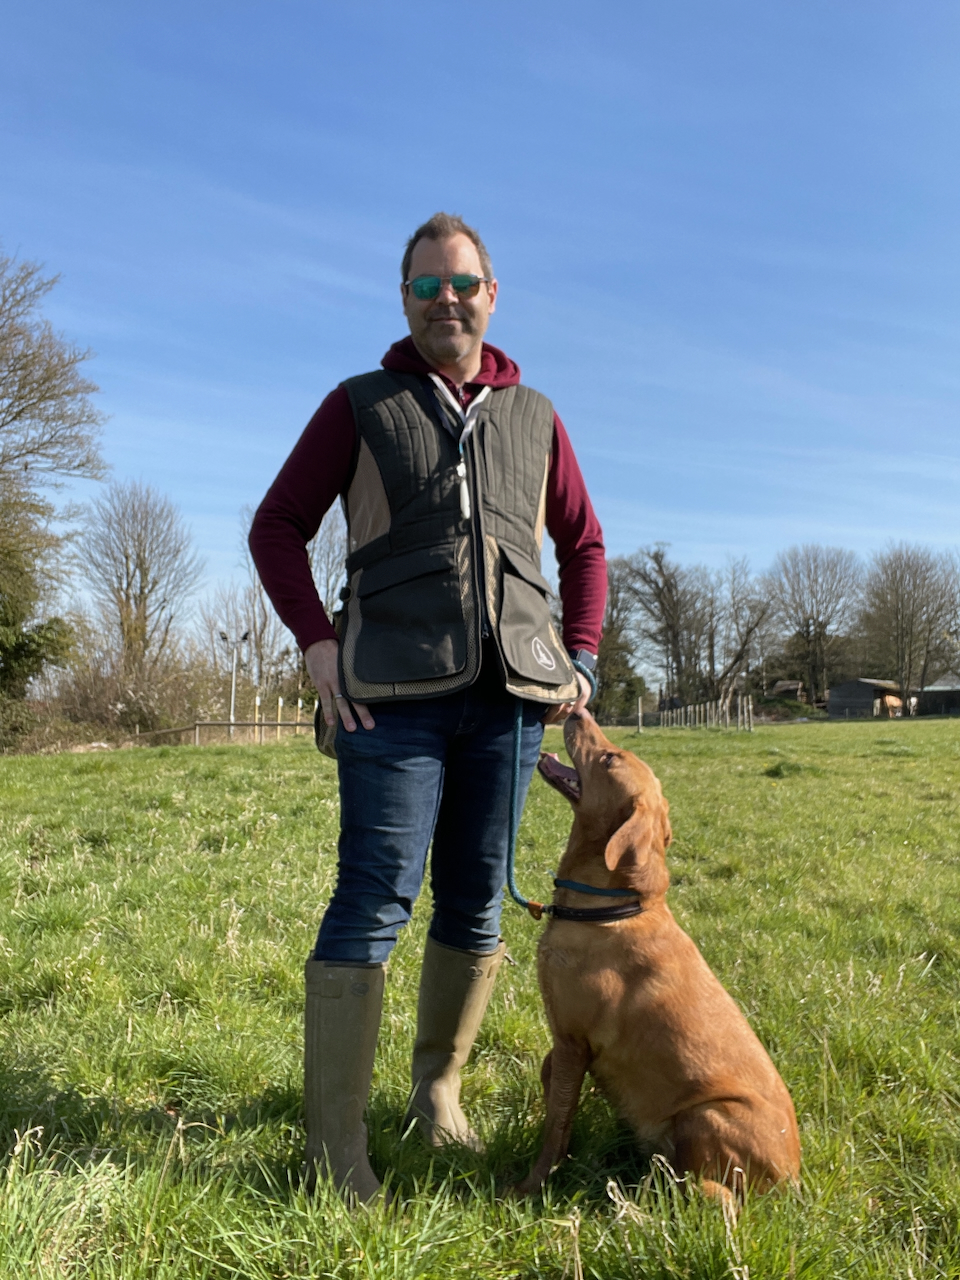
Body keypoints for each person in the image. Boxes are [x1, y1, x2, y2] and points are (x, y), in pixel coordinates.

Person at [249, 212, 606, 1202]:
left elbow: (584, 545)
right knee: (373, 897)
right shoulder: (358, 405)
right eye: (425, 286)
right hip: (387, 697)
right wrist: (317, 642)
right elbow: (277, 525)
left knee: (479, 897)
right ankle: (334, 1150)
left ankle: (436, 1094)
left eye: (462, 284)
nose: (445, 300)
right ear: (404, 299)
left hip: (510, 703)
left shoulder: (536, 415)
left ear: (492, 295)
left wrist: (580, 656)